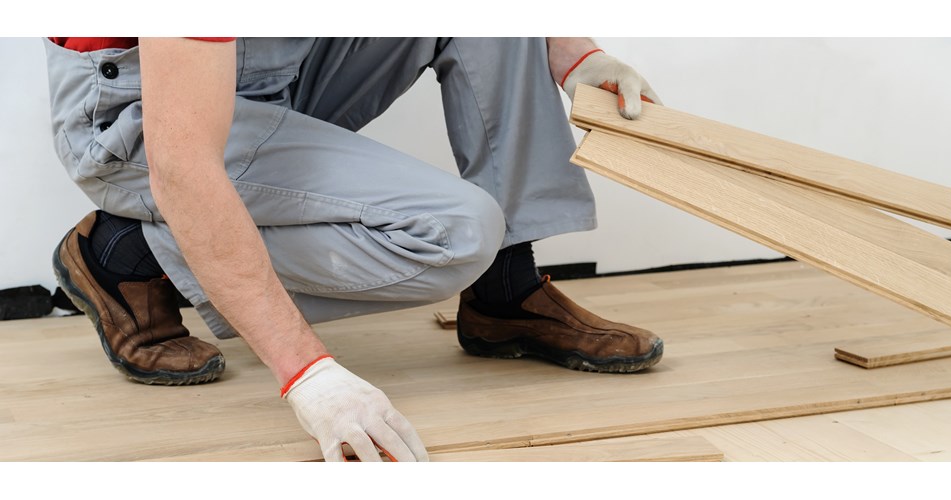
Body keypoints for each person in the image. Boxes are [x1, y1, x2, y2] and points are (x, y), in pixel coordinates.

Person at [44, 37, 663, 462]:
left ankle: (506, 291)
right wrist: (308, 375)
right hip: (140, 111)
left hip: (263, 65)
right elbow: (183, 165)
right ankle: (129, 252)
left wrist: (573, 54)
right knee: (459, 232)